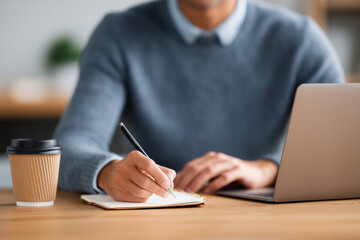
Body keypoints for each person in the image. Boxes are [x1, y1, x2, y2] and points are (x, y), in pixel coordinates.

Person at [54, 0, 344, 202]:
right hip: (156, 220)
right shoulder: (119, 34)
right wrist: (108, 172)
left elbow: (346, 149)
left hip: (266, 223)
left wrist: (266, 169)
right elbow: (70, 145)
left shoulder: (300, 39)